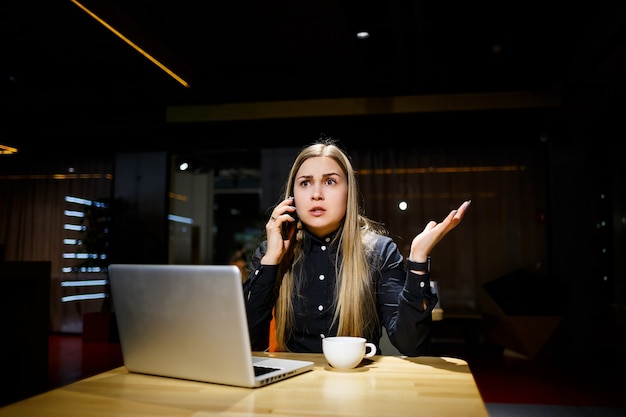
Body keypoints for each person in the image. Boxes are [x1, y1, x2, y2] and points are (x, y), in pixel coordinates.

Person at [243, 138, 471, 356]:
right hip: (293, 389)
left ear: (348, 192)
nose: (316, 194)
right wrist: (271, 260)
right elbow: (248, 342)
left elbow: (411, 345)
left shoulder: (380, 251)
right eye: (305, 183)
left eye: (330, 181)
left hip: (360, 386)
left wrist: (418, 258)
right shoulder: (272, 253)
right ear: (292, 196)